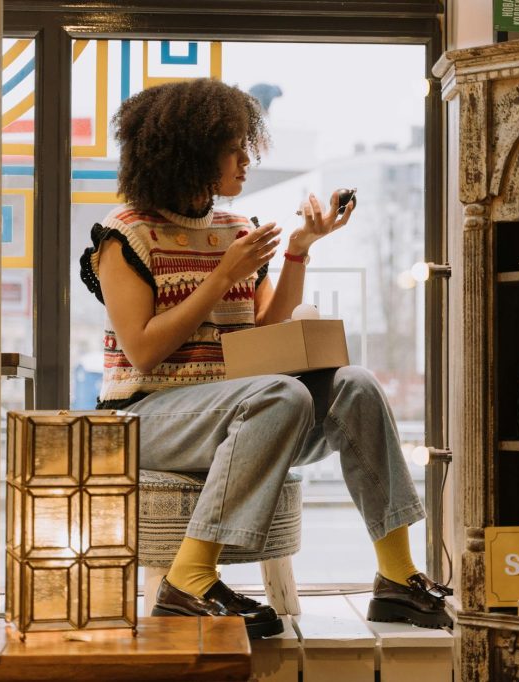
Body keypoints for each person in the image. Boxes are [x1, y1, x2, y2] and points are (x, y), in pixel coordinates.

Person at [79, 77, 451, 639]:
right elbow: (144, 349)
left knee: (356, 384)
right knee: (281, 393)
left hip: (241, 410)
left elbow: (263, 334)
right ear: (193, 154)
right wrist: (221, 276)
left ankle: (396, 577)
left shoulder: (236, 230)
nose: (246, 160)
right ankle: (189, 580)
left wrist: (299, 250)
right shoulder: (123, 237)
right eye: (235, 149)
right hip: (145, 418)